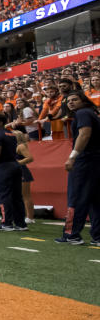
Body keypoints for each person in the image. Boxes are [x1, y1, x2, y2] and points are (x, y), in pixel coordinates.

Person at [56, 91, 100, 245]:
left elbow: (84, 134)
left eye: (75, 99)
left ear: (83, 100)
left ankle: (72, 234)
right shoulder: (91, 112)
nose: (71, 102)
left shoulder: (82, 113)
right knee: (95, 199)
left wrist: (72, 156)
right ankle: (97, 236)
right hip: (95, 161)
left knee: (77, 197)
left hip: (85, 160)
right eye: (68, 101)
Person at [0, 113, 26, 231]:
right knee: (17, 196)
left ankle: (6, 223)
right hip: (15, 165)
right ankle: (21, 224)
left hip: (3, 166)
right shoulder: (11, 134)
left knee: (4, 195)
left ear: (0, 122)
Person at [14, 130, 35, 224]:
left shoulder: (21, 146)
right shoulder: (14, 146)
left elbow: (30, 158)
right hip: (15, 172)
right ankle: (22, 215)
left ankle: (30, 217)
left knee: (25, 195)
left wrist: (17, 163)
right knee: (18, 195)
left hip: (22, 172)